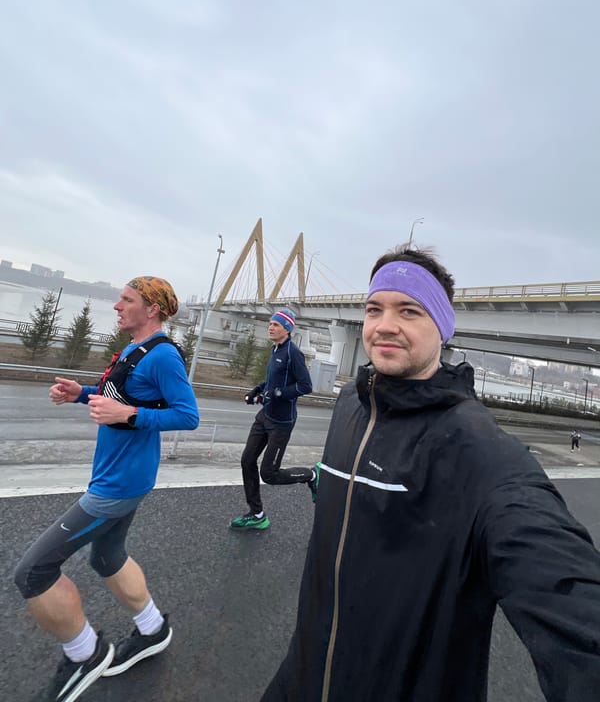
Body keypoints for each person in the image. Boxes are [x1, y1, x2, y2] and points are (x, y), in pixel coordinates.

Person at [262, 246, 600, 701]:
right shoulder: (350, 406)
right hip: (302, 678)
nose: (385, 325)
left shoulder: (478, 450)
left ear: (441, 328)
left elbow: (565, 591)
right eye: (374, 308)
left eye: (409, 311)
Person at [15, 276, 199, 702]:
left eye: (126, 299)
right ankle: (154, 629)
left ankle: (85, 654)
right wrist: (82, 394)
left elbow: (188, 416)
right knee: (107, 556)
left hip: (118, 486)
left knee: (32, 572)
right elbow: (117, 395)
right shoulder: (135, 350)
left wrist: (129, 414)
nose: (117, 306)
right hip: (118, 478)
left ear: (151, 309)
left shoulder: (164, 356)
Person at [230, 309, 314, 530]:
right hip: (264, 416)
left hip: (281, 423)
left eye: (276, 324)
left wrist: (277, 394)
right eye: (270, 323)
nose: (271, 327)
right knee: (247, 461)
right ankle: (257, 514)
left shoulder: (293, 353)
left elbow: (306, 386)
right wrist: (255, 390)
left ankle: (312, 475)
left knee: (269, 474)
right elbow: (271, 381)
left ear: (287, 329)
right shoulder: (275, 349)